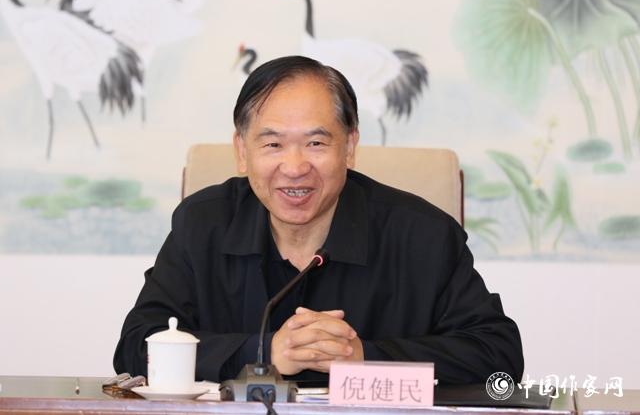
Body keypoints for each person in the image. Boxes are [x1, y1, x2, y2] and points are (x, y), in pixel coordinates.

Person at [114, 55, 524, 384]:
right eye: (273, 144)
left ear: (350, 147)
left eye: (315, 142)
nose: (295, 168)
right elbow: (136, 347)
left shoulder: (422, 235)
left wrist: (364, 358)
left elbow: (499, 357)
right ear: (241, 151)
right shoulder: (203, 224)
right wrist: (263, 353)